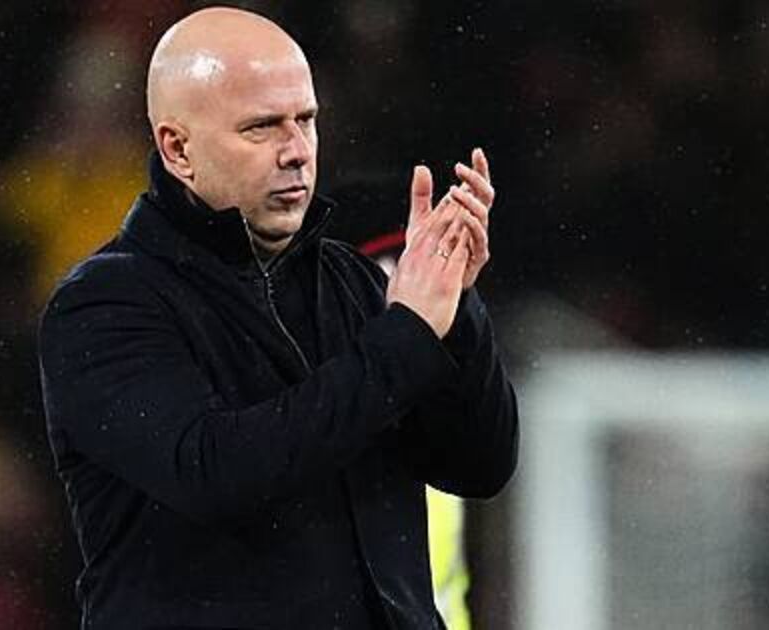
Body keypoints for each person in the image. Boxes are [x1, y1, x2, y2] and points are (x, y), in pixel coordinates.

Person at [37, 7, 518, 628]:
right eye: (261, 127)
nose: (296, 151)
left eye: (306, 120)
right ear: (178, 149)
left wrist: (456, 309)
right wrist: (407, 335)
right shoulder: (105, 304)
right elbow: (216, 473)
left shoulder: (351, 283)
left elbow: (478, 465)